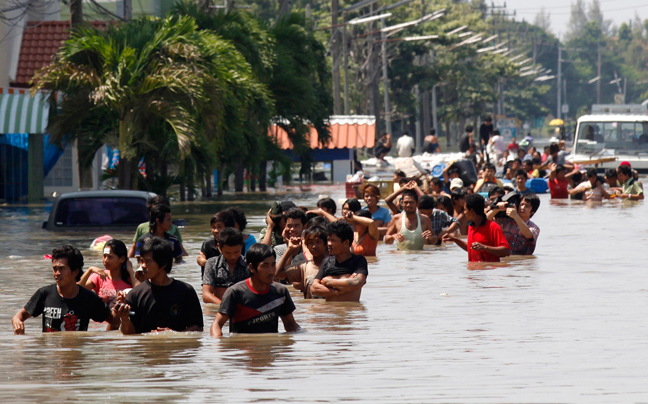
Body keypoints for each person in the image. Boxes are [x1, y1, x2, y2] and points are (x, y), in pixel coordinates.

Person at [12, 245, 119, 334]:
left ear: (75, 271)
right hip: (50, 356)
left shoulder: (88, 298)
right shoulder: (45, 294)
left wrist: (120, 308)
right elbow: (19, 316)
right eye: (55, 269)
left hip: (77, 357)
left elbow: (114, 321)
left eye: (62, 269)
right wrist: (17, 322)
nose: (57, 273)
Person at [114, 237, 203, 334]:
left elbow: (198, 328)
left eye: (147, 261)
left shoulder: (186, 291)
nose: (143, 265)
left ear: (163, 263)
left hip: (177, 348)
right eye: (142, 261)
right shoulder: (135, 294)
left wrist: (175, 335)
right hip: (145, 348)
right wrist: (124, 319)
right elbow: (130, 335)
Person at [210, 243, 300, 337]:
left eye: (273, 265)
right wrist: (218, 345)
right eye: (265, 266)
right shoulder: (235, 292)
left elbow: (291, 326)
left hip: (271, 349)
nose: (271, 271)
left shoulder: (280, 291)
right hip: (243, 348)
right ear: (252, 267)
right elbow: (216, 325)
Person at [78, 239, 139, 328]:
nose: (105, 260)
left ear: (122, 259)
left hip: (122, 326)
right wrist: (89, 270)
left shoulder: (130, 278)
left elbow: (140, 294)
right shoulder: (99, 276)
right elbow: (76, 291)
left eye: (110, 257)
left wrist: (131, 271)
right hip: (100, 326)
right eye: (104, 256)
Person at [443, 193, 510, 262]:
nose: (464, 212)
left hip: (489, 271)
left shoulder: (493, 227)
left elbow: (506, 251)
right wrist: (455, 240)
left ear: (472, 211)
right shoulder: (471, 226)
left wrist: (485, 248)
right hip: (474, 271)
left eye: (465, 209)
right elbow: (471, 248)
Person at [311, 221, 368, 302]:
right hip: (330, 312)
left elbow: (357, 282)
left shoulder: (358, 261)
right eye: (328, 240)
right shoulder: (327, 261)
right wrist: (339, 291)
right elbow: (314, 288)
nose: (329, 244)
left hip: (351, 312)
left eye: (333, 240)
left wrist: (328, 281)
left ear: (346, 242)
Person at [276, 226, 328, 298]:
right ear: (307, 245)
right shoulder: (304, 267)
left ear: (325, 244)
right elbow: (276, 274)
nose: (314, 246)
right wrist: (289, 250)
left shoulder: (333, 265)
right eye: (311, 243)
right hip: (311, 308)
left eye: (318, 242)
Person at [202, 228, 249, 304]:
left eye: (236, 252)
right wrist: (225, 307)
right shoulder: (212, 263)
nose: (233, 256)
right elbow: (206, 295)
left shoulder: (249, 265)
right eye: (228, 253)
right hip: (218, 307)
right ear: (219, 247)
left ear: (242, 246)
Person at [197, 211, 236, 278]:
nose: (215, 231)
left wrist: (207, 263)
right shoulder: (208, 245)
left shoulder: (237, 244)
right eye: (213, 227)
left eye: (219, 227)